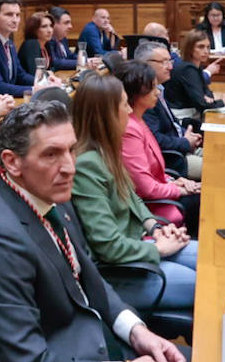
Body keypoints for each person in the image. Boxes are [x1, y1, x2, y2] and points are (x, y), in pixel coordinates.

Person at [0, 101, 190, 362]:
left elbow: (92, 280)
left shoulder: (50, 195)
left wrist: (139, 333)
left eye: (71, 150)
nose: (70, 166)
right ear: (12, 162)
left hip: (102, 351)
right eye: (52, 154)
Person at [70, 72, 199, 313]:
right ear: (106, 115)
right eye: (123, 105)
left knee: (210, 262)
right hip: (121, 273)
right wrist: (158, 248)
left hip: (140, 246)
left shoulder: (107, 149)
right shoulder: (86, 165)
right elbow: (108, 247)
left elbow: (132, 197)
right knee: (203, 284)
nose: (130, 111)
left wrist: (155, 228)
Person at [119, 61, 201, 234]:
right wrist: (178, 190)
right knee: (204, 200)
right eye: (153, 88)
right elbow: (145, 188)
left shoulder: (139, 120)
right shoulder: (129, 129)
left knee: (204, 193)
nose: (157, 92)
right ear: (137, 93)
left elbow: (153, 171)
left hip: (162, 191)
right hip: (152, 206)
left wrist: (176, 180)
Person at [138, 43, 204, 180]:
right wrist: (185, 142)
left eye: (170, 61)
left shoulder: (160, 88)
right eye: (164, 62)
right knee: (220, 171)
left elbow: (170, 124)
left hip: (182, 149)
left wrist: (187, 135)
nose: (170, 67)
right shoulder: (143, 97)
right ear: (145, 64)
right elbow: (154, 140)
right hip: (173, 160)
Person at [0, 0, 39, 97]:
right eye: (9, 15)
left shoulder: (9, 43)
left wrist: (43, 82)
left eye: (18, 15)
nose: (15, 20)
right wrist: (34, 89)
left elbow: (20, 75)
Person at [166, 29, 225, 115]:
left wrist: (207, 97)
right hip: (182, 117)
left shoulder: (195, 66)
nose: (206, 51)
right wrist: (223, 102)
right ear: (190, 48)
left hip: (191, 113)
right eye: (201, 47)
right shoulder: (187, 69)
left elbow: (206, 92)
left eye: (208, 47)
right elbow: (202, 104)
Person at [18, 11, 56, 77]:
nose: (50, 30)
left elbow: (52, 67)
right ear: (34, 29)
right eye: (44, 27)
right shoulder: (31, 45)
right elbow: (34, 73)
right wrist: (48, 74)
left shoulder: (46, 44)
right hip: (29, 85)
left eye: (51, 26)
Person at [46, 6, 78, 70]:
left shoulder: (63, 39)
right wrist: (81, 63)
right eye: (66, 23)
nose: (70, 26)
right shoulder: (48, 40)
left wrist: (87, 60)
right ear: (53, 24)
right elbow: (56, 63)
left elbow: (69, 55)